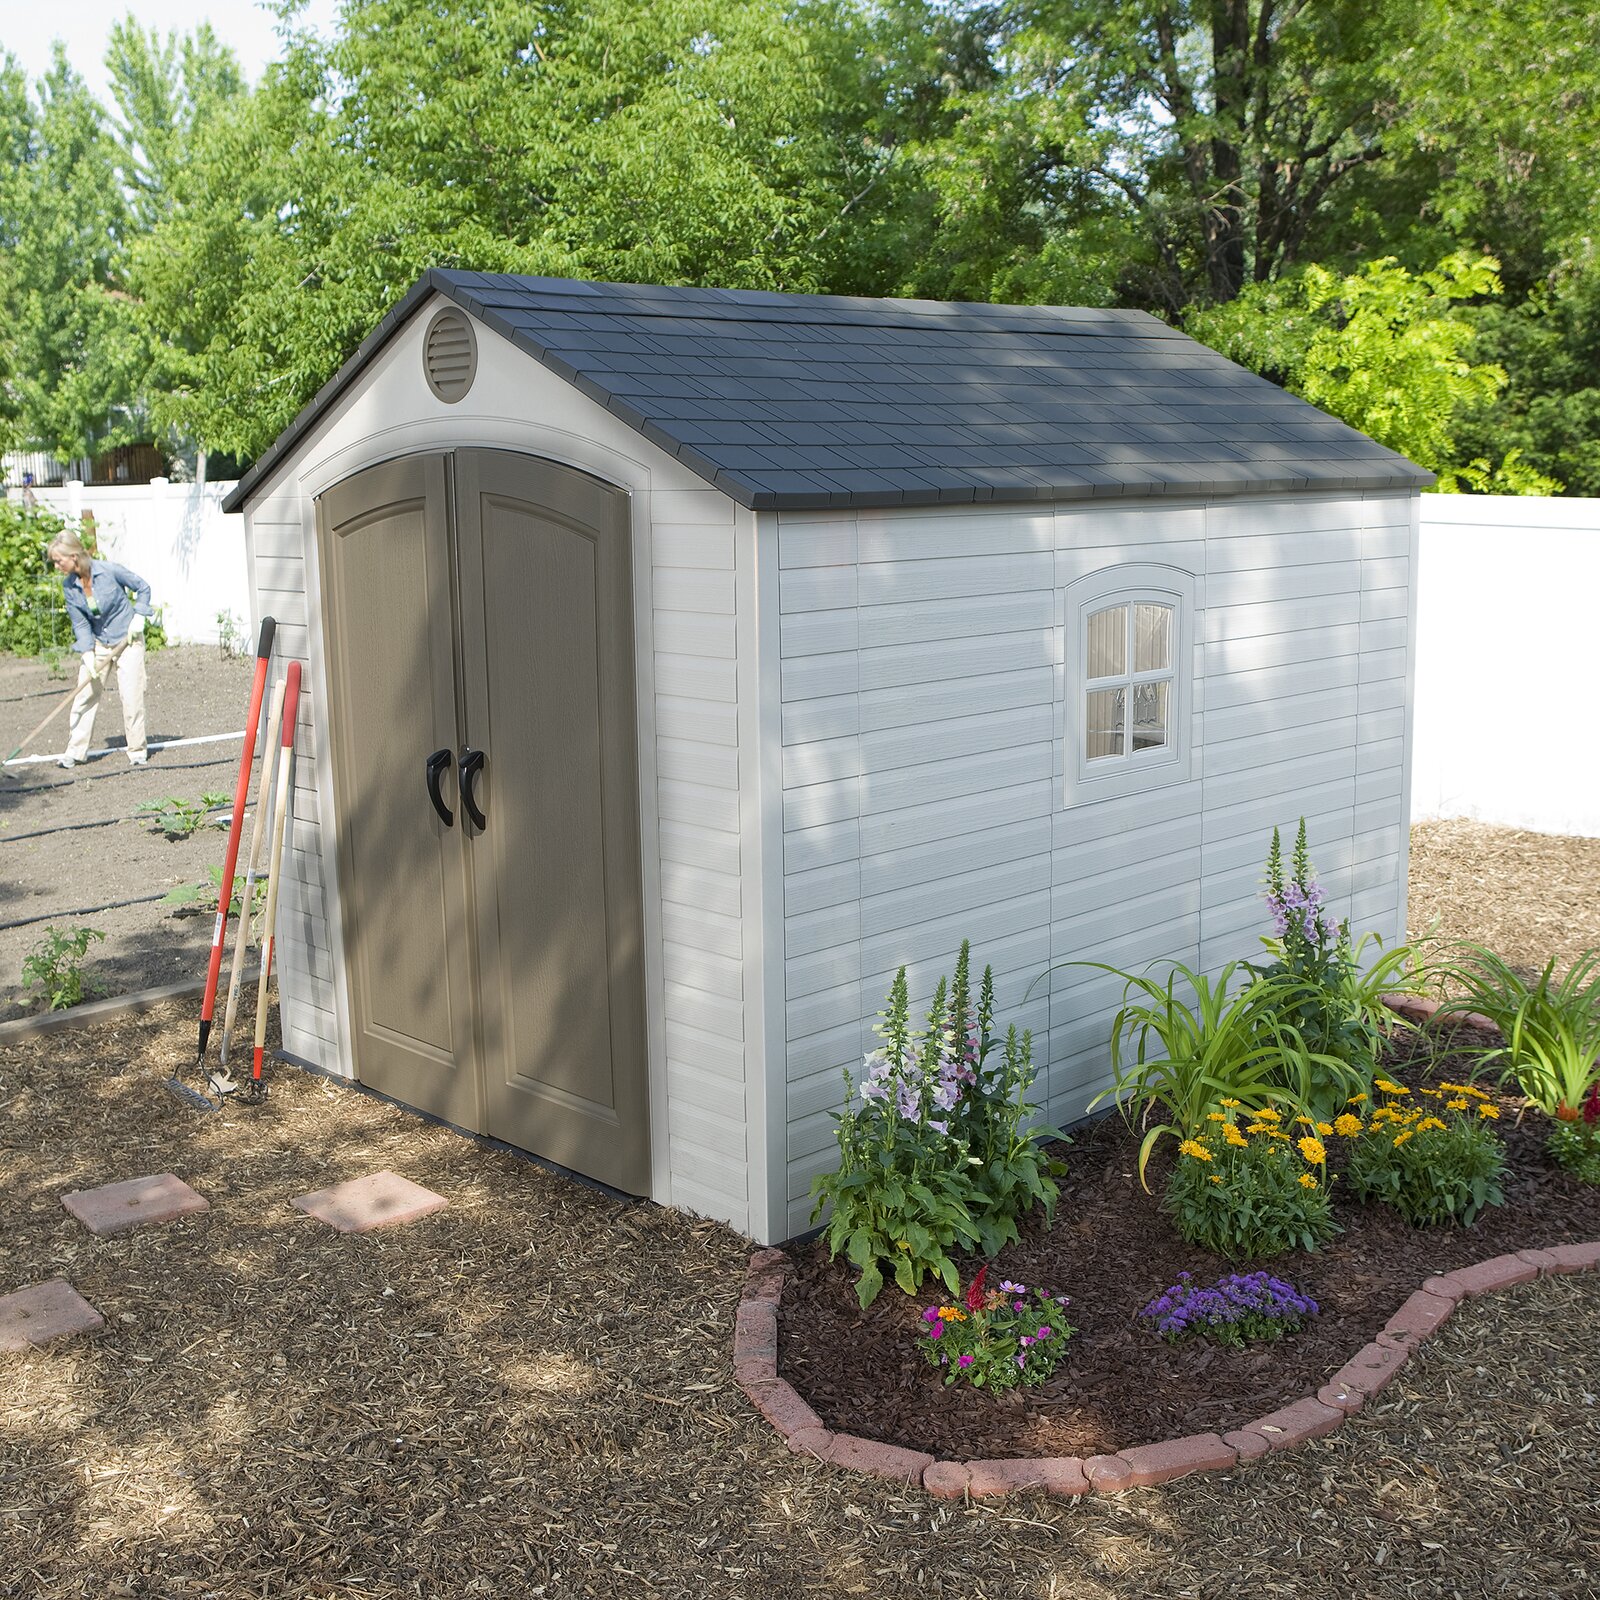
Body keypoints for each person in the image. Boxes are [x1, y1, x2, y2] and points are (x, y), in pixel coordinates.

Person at [47, 531, 154, 768]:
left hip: (128, 640)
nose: (56, 566)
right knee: (85, 694)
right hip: (98, 643)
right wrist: (87, 653)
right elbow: (81, 622)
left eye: (58, 560)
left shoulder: (109, 570)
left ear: (73, 556)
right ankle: (75, 751)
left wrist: (139, 616)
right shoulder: (70, 586)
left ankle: (137, 751)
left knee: (131, 694)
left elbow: (142, 587)